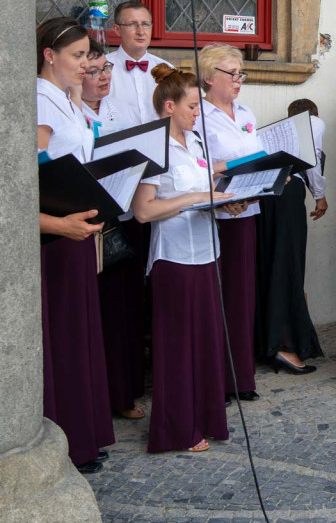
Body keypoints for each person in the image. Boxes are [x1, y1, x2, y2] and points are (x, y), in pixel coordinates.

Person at [132, 65, 245, 453]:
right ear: (170, 107)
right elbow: (143, 211)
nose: (199, 113)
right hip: (174, 260)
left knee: (207, 342)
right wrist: (194, 199)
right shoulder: (154, 149)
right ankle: (176, 429)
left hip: (207, 254)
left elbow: (208, 188)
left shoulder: (197, 143)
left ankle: (207, 417)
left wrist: (224, 203)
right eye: (193, 106)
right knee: (177, 347)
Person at [35, 17, 114, 473]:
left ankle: (84, 434)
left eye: (88, 55)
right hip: (57, 235)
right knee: (63, 337)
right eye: (78, 55)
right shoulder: (40, 99)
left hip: (79, 228)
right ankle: (64, 438)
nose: (86, 64)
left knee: (82, 332)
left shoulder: (67, 98)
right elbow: (31, 176)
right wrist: (59, 224)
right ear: (50, 55)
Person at [73, 39, 146, 422]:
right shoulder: (72, 113)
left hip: (125, 219)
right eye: (94, 71)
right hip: (87, 223)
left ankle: (124, 390)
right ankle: (97, 398)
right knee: (97, 313)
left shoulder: (121, 109)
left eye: (106, 69)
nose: (103, 77)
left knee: (125, 311)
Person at [197, 43, 261, 403]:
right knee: (217, 297)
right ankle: (216, 380)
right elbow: (197, 165)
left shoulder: (246, 112)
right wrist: (224, 194)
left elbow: (257, 156)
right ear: (209, 77)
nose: (238, 80)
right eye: (232, 73)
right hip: (217, 215)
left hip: (247, 211)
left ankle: (241, 377)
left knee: (242, 296)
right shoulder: (199, 114)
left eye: (241, 74)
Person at [256, 99, 326, 374]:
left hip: (264, 196)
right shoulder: (313, 123)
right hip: (288, 196)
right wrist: (320, 195)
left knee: (270, 263)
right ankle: (284, 343)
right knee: (288, 266)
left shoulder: (273, 133)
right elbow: (312, 160)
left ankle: (267, 341)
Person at [106, 0, 172, 125]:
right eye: (132, 24)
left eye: (145, 24)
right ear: (117, 29)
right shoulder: (102, 68)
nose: (141, 31)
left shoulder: (167, 70)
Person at [74, 39, 127, 137]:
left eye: (106, 67)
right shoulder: (67, 111)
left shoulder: (121, 107)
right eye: (94, 71)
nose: (105, 76)